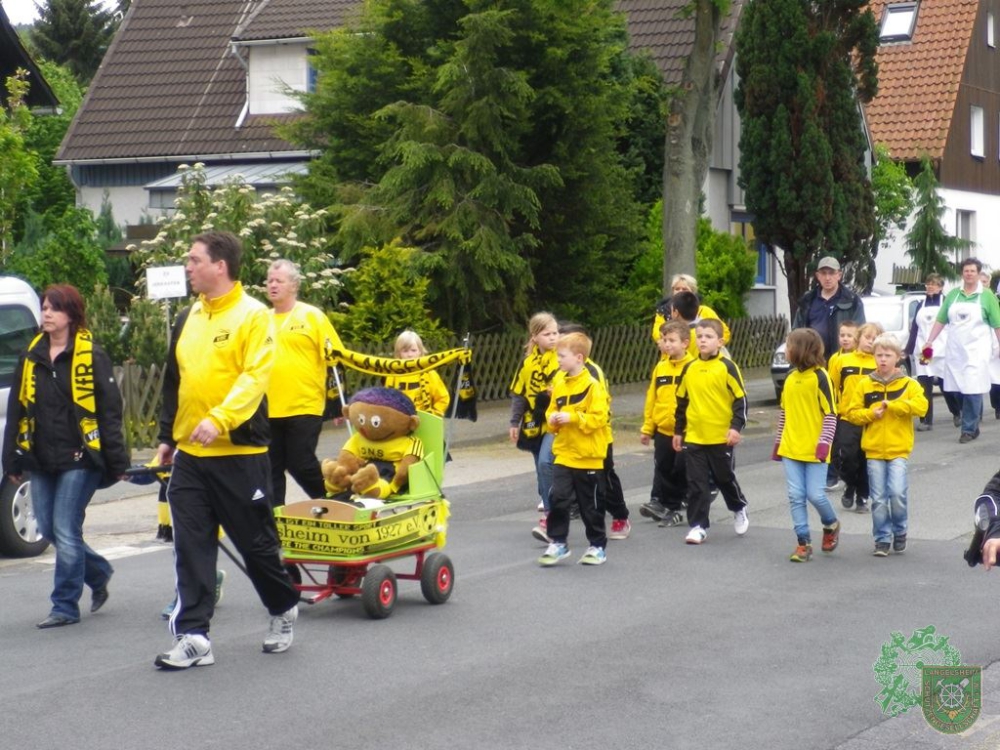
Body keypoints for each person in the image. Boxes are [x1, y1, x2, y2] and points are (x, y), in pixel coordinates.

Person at [153, 231, 300, 670]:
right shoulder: (187, 317)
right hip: (191, 459)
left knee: (255, 547)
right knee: (192, 547)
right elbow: (174, 381)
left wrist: (218, 419)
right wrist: (167, 435)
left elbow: (255, 379)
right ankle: (195, 636)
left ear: (221, 266)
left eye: (194, 259)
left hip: (239, 455)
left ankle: (282, 607)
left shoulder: (254, 316)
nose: (187, 266)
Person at [2, 285, 130, 629]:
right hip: (41, 458)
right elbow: (17, 408)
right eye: (44, 308)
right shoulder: (31, 356)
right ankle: (99, 572)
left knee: (64, 528)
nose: (45, 314)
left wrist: (117, 460)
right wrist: (10, 458)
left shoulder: (91, 355)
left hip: (81, 457)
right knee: (48, 527)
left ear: (71, 315)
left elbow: (109, 412)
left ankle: (64, 605)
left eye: (53, 309)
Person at [266, 259, 343, 504]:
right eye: (269, 280)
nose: (272, 285)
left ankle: (334, 500)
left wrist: (338, 403)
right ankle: (275, 523)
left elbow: (336, 359)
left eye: (279, 280)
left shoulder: (312, 316)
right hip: (269, 408)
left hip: (304, 405)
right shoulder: (260, 320)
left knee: (300, 463)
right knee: (270, 468)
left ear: (294, 285)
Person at [844, 333, 927, 556]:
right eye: (879, 355)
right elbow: (851, 413)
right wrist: (872, 413)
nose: (882, 359)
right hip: (873, 450)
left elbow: (922, 407)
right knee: (879, 498)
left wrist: (895, 406)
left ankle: (900, 531)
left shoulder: (909, 384)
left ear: (898, 358)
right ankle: (882, 538)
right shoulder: (865, 384)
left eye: (887, 355)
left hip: (898, 449)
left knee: (897, 493)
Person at [673, 319, 750, 545]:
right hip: (695, 436)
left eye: (708, 336)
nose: (703, 340)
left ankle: (738, 506)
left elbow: (740, 400)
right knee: (697, 483)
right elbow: (681, 402)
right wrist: (679, 431)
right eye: (699, 336)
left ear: (720, 341)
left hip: (720, 437)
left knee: (723, 478)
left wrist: (735, 427)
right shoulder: (690, 368)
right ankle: (698, 526)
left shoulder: (727, 367)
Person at [537, 332, 610, 566]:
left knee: (590, 504)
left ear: (579, 357)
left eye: (562, 356)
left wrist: (573, 418)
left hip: (588, 456)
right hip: (564, 452)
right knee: (558, 497)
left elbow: (600, 418)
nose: (557, 360)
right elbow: (550, 411)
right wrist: (554, 421)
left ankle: (597, 546)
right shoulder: (558, 382)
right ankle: (558, 542)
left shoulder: (593, 386)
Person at [771, 328, 841, 562]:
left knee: (815, 494)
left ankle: (830, 524)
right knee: (795, 495)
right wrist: (779, 441)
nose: (786, 349)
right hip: (791, 447)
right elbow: (784, 413)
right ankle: (803, 542)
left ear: (799, 349)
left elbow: (831, 414)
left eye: (788, 345)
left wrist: (824, 443)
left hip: (815, 449)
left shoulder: (821, 377)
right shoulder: (790, 378)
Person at [922, 257, 1000, 444]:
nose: (969, 274)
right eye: (966, 271)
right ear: (962, 273)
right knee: (955, 389)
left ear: (978, 273)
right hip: (955, 351)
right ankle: (970, 420)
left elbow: (997, 323)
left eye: (973, 271)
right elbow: (941, 320)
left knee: (972, 388)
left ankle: (969, 428)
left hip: (977, 351)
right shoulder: (953, 295)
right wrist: (929, 341)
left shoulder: (987, 296)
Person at [639, 320, 694, 528]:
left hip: (686, 430)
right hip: (663, 429)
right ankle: (670, 507)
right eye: (664, 340)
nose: (667, 344)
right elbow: (652, 398)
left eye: (672, 340)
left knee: (681, 467)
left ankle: (682, 502)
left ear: (685, 343)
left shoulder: (693, 367)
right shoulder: (661, 368)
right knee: (664, 467)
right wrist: (647, 428)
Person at [509, 312, 560, 523]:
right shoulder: (527, 363)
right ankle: (550, 506)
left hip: (556, 421)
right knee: (540, 468)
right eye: (547, 334)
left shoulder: (562, 357)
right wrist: (514, 421)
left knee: (545, 462)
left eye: (556, 333)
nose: (553, 338)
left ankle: (553, 513)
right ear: (535, 337)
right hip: (533, 423)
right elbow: (519, 394)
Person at [831, 321, 882, 512]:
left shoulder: (878, 362)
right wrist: (833, 410)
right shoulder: (842, 361)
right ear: (858, 337)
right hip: (847, 417)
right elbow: (833, 387)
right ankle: (850, 484)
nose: (870, 342)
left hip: (871, 418)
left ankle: (862, 496)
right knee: (847, 457)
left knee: (866, 460)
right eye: (867, 337)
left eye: (875, 338)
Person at [904, 273, 960, 431]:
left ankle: (956, 412)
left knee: (945, 384)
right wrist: (908, 349)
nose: (930, 287)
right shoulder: (920, 305)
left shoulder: (946, 304)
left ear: (941, 287)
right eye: (928, 284)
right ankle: (925, 420)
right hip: (925, 351)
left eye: (934, 284)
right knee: (924, 385)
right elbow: (915, 329)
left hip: (942, 350)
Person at [791, 256, 866, 365]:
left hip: (843, 361)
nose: (827, 277)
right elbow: (796, 332)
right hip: (812, 361)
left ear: (839, 275)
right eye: (823, 273)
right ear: (818, 276)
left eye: (831, 273)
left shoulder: (852, 301)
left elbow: (860, 332)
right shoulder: (807, 301)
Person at [385, 330, 450, 417]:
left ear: (420, 351)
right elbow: (386, 399)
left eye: (413, 350)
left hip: (424, 421)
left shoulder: (429, 373)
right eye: (405, 351)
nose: (410, 355)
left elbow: (443, 397)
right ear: (399, 353)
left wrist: (434, 415)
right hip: (399, 421)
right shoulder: (393, 375)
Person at [651, 274, 731, 344]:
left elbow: (724, 332)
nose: (680, 292)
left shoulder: (704, 311)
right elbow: (657, 334)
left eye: (684, 289)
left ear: (693, 292)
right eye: (677, 289)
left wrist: (712, 346)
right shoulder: (663, 312)